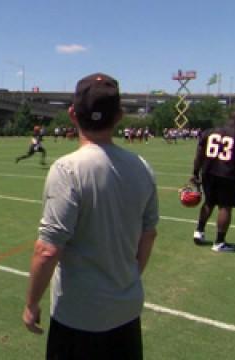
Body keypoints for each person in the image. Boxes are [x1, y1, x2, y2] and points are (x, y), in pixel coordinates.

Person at [23, 73, 159, 360]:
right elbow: (149, 235)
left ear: (72, 114)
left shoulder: (68, 169)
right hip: (126, 311)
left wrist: (31, 303)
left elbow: (47, 250)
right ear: (120, 116)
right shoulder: (143, 167)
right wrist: (127, 279)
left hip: (78, 316)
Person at [191, 111, 235, 252]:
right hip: (229, 174)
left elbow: (199, 153)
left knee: (209, 202)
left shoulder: (210, 132)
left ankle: (199, 232)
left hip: (208, 172)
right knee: (225, 207)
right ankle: (219, 242)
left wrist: (195, 172)